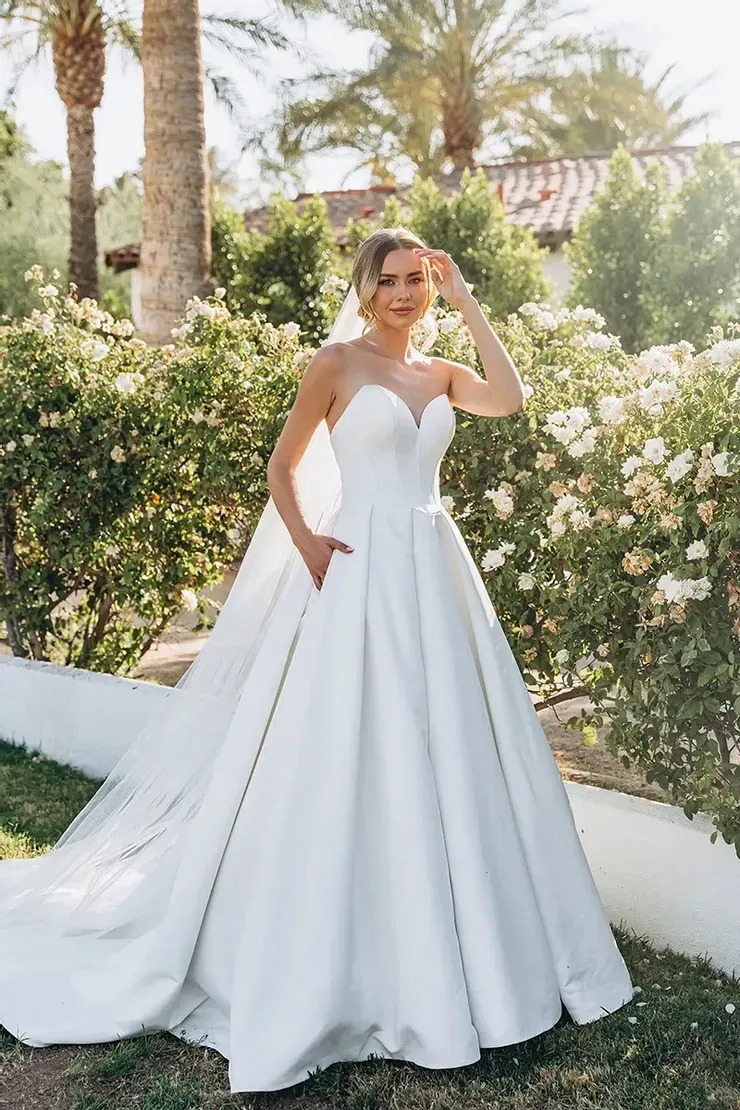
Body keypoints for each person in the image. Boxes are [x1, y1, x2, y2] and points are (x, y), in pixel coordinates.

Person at [0, 226, 634, 1094]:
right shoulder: (335, 364)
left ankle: (477, 946)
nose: (406, 293)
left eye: (418, 280)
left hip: (435, 570)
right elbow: (283, 467)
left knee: (453, 742)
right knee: (353, 747)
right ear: (365, 287)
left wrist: (468, 301)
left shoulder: (441, 373)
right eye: (392, 280)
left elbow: (511, 397)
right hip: (359, 569)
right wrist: (307, 544)